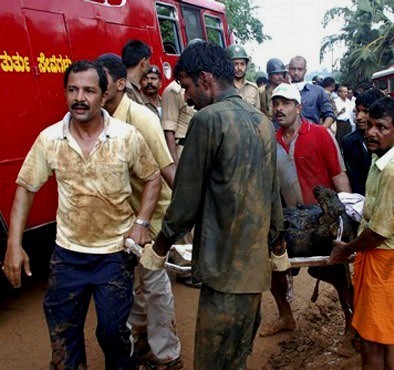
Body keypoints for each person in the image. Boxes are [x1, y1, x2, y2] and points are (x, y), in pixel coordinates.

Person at [2, 60, 161, 369]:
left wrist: (142, 223)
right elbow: (25, 188)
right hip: (68, 256)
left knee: (112, 333)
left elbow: (152, 176)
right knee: (63, 335)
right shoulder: (50, 139)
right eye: (73, 90)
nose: (80, 98)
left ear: (104, 96)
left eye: (89, 90)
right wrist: (13, 244)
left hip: (115, 255)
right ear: (65, 94)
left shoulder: (126, 136)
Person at [144, 42, 284, 369]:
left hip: (222, 274)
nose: (188, 97)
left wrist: (160, 247)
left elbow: (186, 198)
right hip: (254, 274)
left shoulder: (207, 120)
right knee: (237, 360)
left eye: (188, 87)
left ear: (205, 79)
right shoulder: (262, 121)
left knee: (211, 363)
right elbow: (273, 192)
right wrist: (278, 244)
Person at [96, 53, 182, 369]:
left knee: (155, 284)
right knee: (138, 286)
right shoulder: (99, 118)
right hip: (125, 217)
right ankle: (139, 342)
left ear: (120, 84)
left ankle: (167, 355)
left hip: (153, 216)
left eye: (100, 81)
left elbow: (164, 170)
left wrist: (186, 211)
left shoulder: (142, 119)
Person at [328, 97, 394, 369]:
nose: (371, 132)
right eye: (370, 125)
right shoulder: (381, 155)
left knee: (372, 339)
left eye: (381, 127)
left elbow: (379, 233)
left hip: (391, 261)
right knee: (386, 336)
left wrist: (346, 249)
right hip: (385, 258)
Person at [260, 83, 353, 341]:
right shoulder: (269, 141)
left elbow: (338, 175)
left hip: (322, 221)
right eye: (275, 103)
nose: (279, 109)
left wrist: (345, 219)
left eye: (286, 103)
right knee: (275, 272)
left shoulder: (321, 135)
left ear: (299, 107)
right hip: (289, 221)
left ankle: (350, 324)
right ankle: (286, 316)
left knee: (337, 274)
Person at [342, 88, 385, 195]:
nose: (359, 117)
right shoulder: (349, 142)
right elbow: (354, 179)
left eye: (365, 111)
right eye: (357, 111)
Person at [288, 55, 335, 128]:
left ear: (305, 71)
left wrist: (321, 131)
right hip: (288, 136)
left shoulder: (317, 91)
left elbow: (329, 114)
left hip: (311, 135)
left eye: (300, 69)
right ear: (289, 70)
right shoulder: (282, 91)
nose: (296, 72)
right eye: (293, 69)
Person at [122, 39, 159, 117]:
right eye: (149, 60)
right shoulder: (128, 90)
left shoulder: (130, 87)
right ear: (144, 61)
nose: (149, 65)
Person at [161, 79, 195, 164]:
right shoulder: (173, 91)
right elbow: (168, 132)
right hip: (184, 149)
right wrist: (176, 166)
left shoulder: (199, 84)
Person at [228, 44, 261, 109]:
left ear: (246, 66)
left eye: (242, 64)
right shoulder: (223, 87)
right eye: (235, 64)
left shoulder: (253, 88)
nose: (239, 68)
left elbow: (258, 113)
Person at [260, 57, 288, 122]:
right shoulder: (261, 91)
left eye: (281, 74)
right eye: (277, 74)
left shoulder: (286, 90)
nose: (280, 77)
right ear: (270, 75)